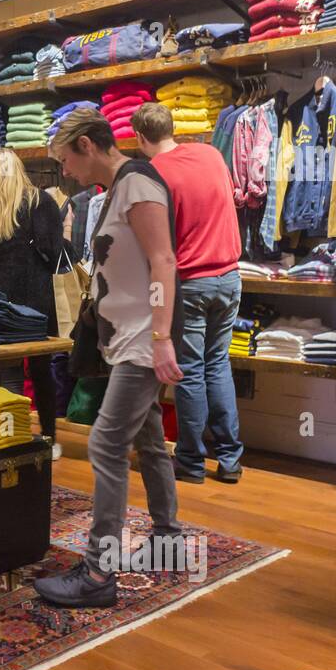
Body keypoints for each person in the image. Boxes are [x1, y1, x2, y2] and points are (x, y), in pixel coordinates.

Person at [34, 109, 184, 608]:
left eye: (66, 162)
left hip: (144, 339)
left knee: (104, 444)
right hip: (128, 337)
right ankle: (167, 540)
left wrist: (161, 336)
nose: (66, 174)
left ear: (87, 146)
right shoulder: (118, 189)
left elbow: (164, 260)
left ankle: (99, 574)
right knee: (149, 442)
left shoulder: (138, 184)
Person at [132, 103, 244, 483]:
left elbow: (157, 246)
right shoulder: (211, 154)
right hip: (229, 276)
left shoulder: (152, 175)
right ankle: (230, 459)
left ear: (140, 138)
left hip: (191, 281)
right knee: (218, 363)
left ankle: (192, 462)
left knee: (190, 370)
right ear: (172, 128)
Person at [0, 149, 71, 448]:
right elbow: (53, 252)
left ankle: (7, 435)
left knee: (6, 370)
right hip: (35, 300)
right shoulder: (41, 202)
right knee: (41, 370)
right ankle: (49, 438)